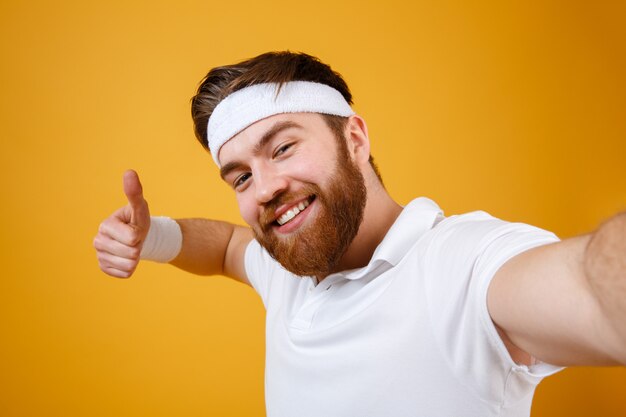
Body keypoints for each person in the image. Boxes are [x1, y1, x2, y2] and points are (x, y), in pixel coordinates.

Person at [93, 51, 625, 417]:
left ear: (354, 138)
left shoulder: (463, 266)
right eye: (241, 176)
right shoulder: (287, 270)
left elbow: (591, 289)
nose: (264, 189)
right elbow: (230, 246)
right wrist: (155, 237)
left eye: (282, 148)